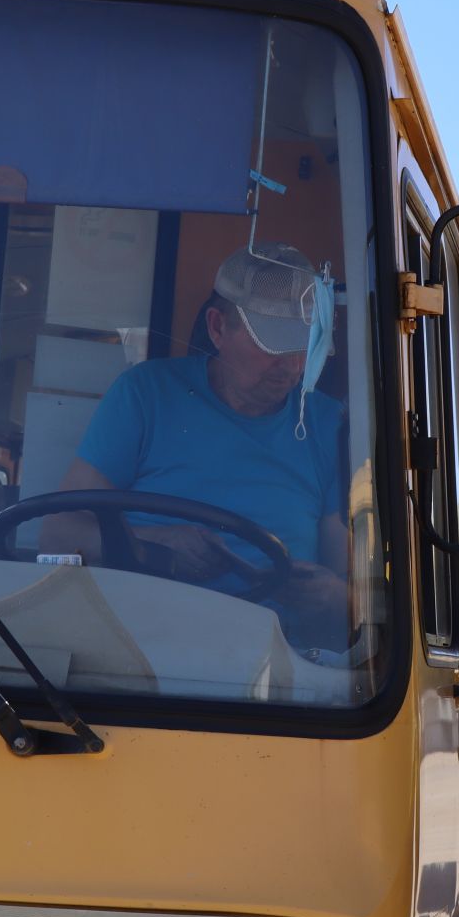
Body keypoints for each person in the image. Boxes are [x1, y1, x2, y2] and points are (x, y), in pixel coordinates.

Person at [37, 241, 348, 644]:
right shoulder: (146, 394)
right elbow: (59, 534)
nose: (291, 365)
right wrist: (152, 544)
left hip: (277, 667)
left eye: (304, 344)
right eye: (272, 344)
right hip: (135, 642)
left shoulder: (328, 425)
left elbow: (353, 584)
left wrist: (332, 596)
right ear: (218, 327)